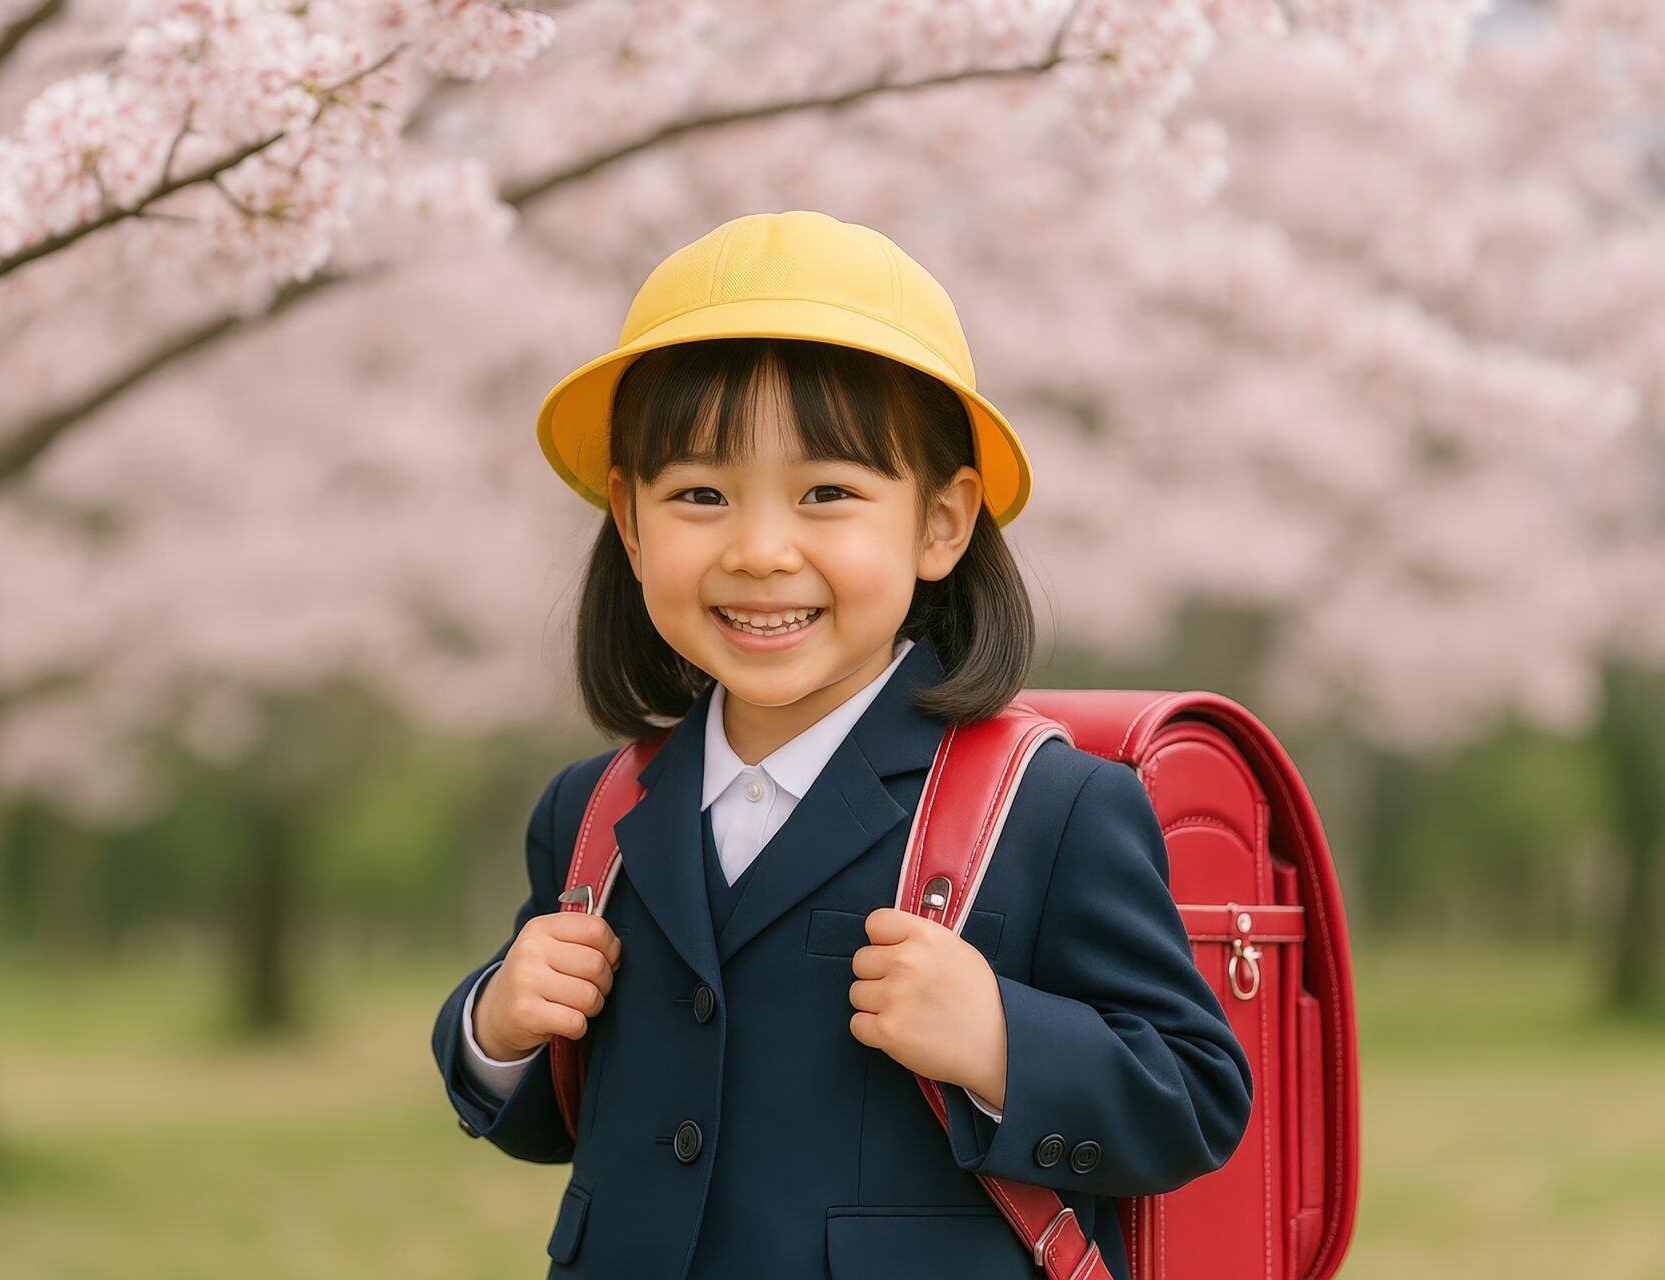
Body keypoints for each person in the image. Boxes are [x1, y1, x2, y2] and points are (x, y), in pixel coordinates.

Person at [430, 209, 1253, 1279]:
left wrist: (1000, 1037)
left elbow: (1192, 1096)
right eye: (698, 494)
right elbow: (565, 1121)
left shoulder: (1051, 807)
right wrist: (501, 1023)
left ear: (941, 523)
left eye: (828, 493)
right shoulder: (592, 816)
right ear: (630, 523)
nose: (761, 549)